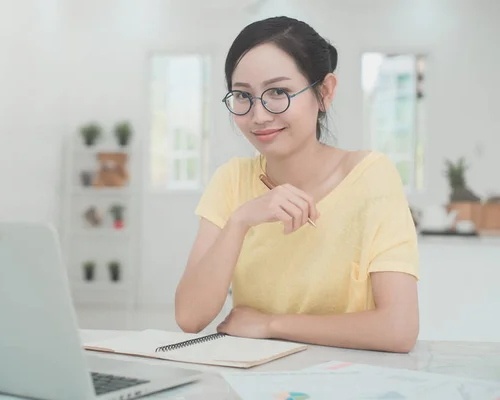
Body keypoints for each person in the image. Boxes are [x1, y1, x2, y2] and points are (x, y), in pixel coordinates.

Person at [174, 16, 420, 353]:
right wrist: (242, 220)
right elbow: (189, 316)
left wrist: (271, 325)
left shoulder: (371, 176)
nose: (259, 115)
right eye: (243, 95)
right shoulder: (231, 180)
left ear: (324, 92)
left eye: (278, 92)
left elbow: (399, 328)